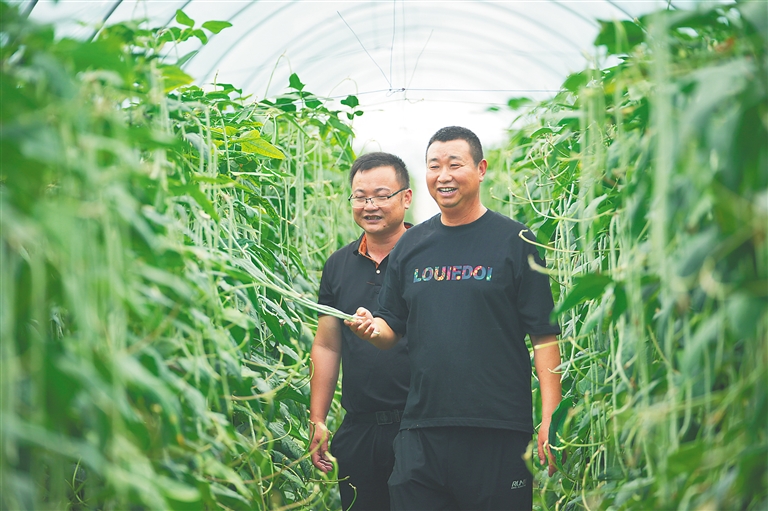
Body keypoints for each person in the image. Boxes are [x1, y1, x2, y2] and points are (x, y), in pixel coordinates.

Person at [346, 126, 562, 511]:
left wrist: (551, 416)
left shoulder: (516, 242)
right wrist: (370, 327)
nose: (443, 176)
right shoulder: (411, 246)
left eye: (454, 164)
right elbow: (390, 325)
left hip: (497, 430)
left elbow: (544, 336)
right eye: (433, 166)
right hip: (421, 430)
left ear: (481, 169)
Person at [309, 152, 413, 511]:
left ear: (406, 198)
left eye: (382, 195)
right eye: (360, 196)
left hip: (420, 427)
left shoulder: (429, 259)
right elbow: (327, 346)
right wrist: (318, 419)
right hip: (361, 429)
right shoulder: (338, 265)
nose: (370, 206)